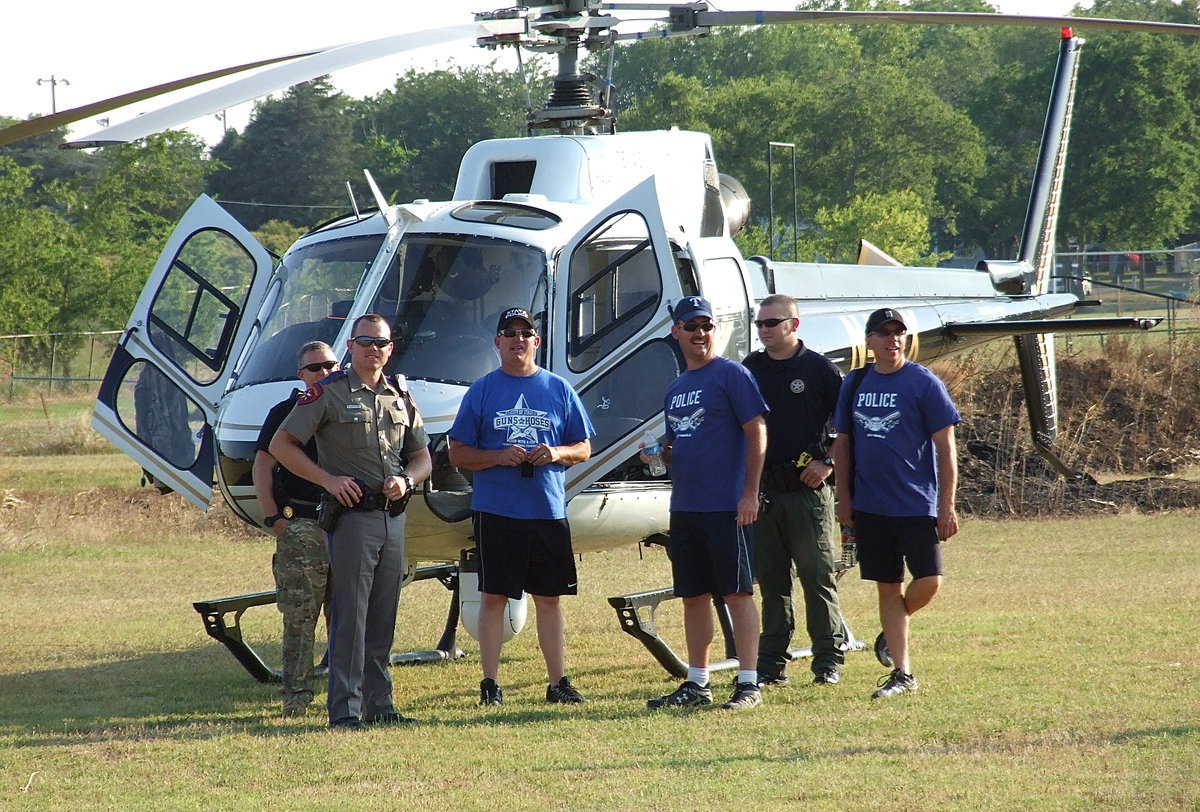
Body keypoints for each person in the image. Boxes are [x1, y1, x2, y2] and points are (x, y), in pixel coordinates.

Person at [270, 314, 432, 729]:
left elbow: (422, 456)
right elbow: (282, 445)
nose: (373, 350)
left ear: (390, 348)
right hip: (351, 519)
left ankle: (381, 706)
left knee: (383, 615)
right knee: (350, 616)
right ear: (351, 346)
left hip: (391, 516)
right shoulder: (328, 393)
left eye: (380, 343)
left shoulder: (399, 395)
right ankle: (344, 710)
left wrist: (407, 479)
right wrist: (327, 479)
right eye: (365, 342)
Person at [448, 307, 595, 707]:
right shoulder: (481, 390)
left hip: (546, 510)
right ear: (497, 342)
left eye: (525, 333)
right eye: (508, 333)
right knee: (495, 597)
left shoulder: (559, 389)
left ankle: (557, 682)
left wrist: (556, 452)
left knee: (550, 598)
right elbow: (457, 453)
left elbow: (583, 447)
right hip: (497, 510)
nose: (517, 340)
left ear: (537, 341)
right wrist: (497, 457)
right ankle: (490, 684)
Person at [645, 296, 768, 712]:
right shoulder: (676, 388)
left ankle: (749, 682)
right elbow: (679, 444)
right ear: (675, 332)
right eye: (691, 326)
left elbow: (757, 431)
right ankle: (698, 683)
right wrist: (661, 455)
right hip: (687, 506)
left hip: (727, 505)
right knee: (693, 595)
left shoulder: (732, 375)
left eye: (707, 326)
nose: (700, 333)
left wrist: (749, 493)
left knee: (736, 593)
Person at [831, 308, 960, 699]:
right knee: (887, 587)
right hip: (870, 506)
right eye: (884, 333)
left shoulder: (923, 383)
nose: (893, 339)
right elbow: (843, 444)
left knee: (930, 581)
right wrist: (843, 498)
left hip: (916, 503)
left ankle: (892, 630)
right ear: (869, 341)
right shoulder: (854, 384)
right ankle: (903, 673)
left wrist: (946, 505)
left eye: (898, 333)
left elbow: (946, 448)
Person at [742, 294, 846, 687]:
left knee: (817, 577)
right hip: (766, 491)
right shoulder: (751, 368)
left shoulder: (819, 370)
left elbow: (848, 428)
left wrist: (829, 463)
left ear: (793, 325)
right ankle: (771, 664)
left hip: (807, 490)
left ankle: (828, 660)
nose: (764, 330)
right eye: (760, 324)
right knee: (771, 582)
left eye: (772, 323)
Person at [252, 340, 339, 718]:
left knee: (349, 614)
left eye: (331, 365)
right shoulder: (286, 412)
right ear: (301, 375)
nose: (324, 372)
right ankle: (297, 694)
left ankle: (345, 690)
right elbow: (262, 467)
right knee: (301, 616)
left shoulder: (350, 409)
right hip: (302, 524)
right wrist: (275, 520)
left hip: (348, 523)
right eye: (315, 368)